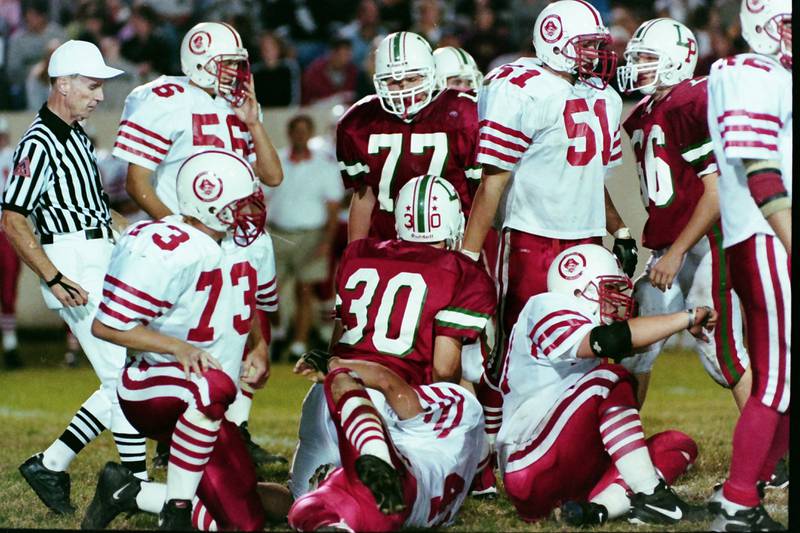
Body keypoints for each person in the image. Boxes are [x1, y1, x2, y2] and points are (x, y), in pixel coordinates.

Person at [113, 20, 285, 466]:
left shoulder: (241, 103)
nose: (236, 72)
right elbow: (137, 181)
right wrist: (181, 234)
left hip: (233, 234)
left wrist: (253, 121)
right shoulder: (161, 99)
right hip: (189, 239)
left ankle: (234, 427)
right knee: (186, 337)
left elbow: (271, 176)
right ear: (200, 60)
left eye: (237, 63)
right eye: (227, 64)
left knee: (242, 330)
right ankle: (175, 439)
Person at [83, 149, 279, 531]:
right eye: (240, 204)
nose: (250, 211)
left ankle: (126, 492)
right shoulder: (167, 246)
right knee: (212, 385)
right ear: (211, 204)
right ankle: (175, 510)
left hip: (207, 402)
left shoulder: (252, 244)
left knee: (245, 521)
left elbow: (250, 298)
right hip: (154, 387)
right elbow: (107, 326)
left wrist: (259, 344)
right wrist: (179, 347)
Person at [287, 175, 494, 531]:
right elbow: (445, 368)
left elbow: (339, 340)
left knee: (304, 500)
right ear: (453, 221)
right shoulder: (462, 272)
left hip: (330, 396)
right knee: (387, 497)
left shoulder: (358, 253)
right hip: (392, 405)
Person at [1, 40, 148, 513]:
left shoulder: (78, 135)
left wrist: (121, 227)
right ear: (62, 84)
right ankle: (133, 486)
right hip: (73, 261)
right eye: (92, 84)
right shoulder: (39, 141)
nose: (100, 95)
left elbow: (88, 202)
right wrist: (54, 275)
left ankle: (52, 463)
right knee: (122, 378)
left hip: (98, 252)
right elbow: (12, 217)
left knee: (128, 372)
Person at [498, 244, 713, 526]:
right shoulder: (545, 306)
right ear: (578, 290)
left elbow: (624, 352)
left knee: (677, 444)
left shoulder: (581, 320)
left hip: (573, 470)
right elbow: (610, 340)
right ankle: (652, 494)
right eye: (609, 288)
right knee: (609, 379)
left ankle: (596, 510)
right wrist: (686, 318)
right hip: (531, 465)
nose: (617, 300)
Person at [615, 18, 751, 407]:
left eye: (647, 58)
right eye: (636, 58)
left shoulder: (692, 100)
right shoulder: (646, 110)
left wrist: (675, 253)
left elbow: (717, 191)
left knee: (720, 353)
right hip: (671, 245)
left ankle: (771, 458)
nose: (637, 66)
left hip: (707, 240)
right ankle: (625, 450)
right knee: (634, 346)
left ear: (677, 60)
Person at [705, 0, 791, 530]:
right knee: (775, 381)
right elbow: (759, 170)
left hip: (762, 240)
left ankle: (746, 488)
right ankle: (739, 500)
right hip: (766, 238)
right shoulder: (748, 70)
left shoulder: (773, 74)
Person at [337, 31, 482, 243]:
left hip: (452, 241)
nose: (404, 89)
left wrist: (471, 250)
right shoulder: (359, 121)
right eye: (392, 81)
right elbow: (363, 197)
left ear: (432, 74)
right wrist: (354, 252)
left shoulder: (463, 113)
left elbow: (481, 193)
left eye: (412, 78)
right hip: (388, 240)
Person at [266, 115, 345, 362]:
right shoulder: (275, 160)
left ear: (310, 134)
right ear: (289, 133)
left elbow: (333, 208)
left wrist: (326, 242)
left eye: (304, 130)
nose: (300, 135)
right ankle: (279, 332)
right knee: (269, 292)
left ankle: (298, 346)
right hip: (278, 232)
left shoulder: (324, 167)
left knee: (305, 290)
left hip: (312, 234)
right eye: (296, 130)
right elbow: (262, 199)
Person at [0, 118, 22, 369]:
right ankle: (10, 344)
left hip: (6, 231)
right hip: (7, 231)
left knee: (7, 293)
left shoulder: (12, 156)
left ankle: (10, 344)